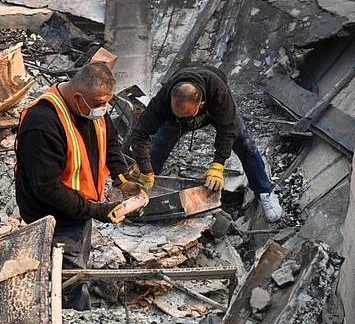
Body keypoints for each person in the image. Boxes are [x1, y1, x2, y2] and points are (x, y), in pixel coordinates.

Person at [14, 62, 142, 311]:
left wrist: (121, 178)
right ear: (77, 97)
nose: (102, 110)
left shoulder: (93, 107)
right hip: (52, 215)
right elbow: (47, 188)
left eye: (107, 103)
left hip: (80, 208)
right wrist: (97, 211)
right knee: (67, 277)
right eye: (98, 104)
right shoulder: (42, 123)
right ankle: (72, 319)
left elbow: (110, 142)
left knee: (77, 259)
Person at [129, 64, 282, 222]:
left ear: (200, 104)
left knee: (244, 141)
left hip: (214, 108)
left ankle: (264, 191)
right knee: (157, 147)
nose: (182, 119)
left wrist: (218, 165)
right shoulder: (163, 100)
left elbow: (228, 130)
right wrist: (145, 167)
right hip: (175, 119)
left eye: (186, 115)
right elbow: (140, 133)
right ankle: (143, 194)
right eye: (178, 113)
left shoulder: (219, 93)